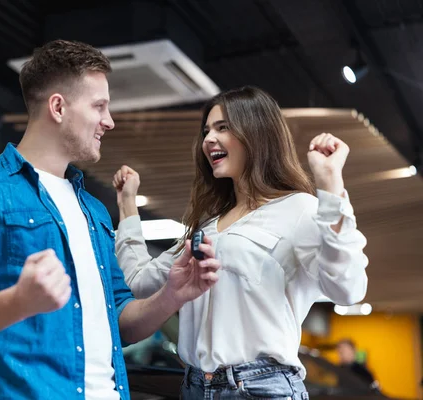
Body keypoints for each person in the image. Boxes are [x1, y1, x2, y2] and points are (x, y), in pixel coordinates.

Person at [0, 39, 222, 400]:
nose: (109, 121)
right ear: (58, 107)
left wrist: (172, 295)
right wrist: (17, 302)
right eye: (99, 106)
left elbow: (121, 323)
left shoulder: (93, 210)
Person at [112, 86, 369, 399]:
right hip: (193, 387)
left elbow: (348, 289)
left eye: (223, 128)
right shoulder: (207, 228)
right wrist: (127, 206)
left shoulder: (299, 209)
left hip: (260, 388)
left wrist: (330, 187)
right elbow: (139, 281)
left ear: (257, 134)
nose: (208, 139)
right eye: (206, 130)